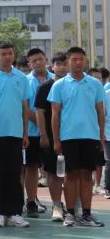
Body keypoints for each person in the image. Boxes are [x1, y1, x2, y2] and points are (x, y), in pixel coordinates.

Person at [48, 47, 105, 227]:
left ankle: (87, 214)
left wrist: (101, 135)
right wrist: (56, 140)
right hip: (68, 137)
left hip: (90, 136)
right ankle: (71, 213)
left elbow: (100, 111)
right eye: (74, 59)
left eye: (81, 59)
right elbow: (55, 115)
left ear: (85, 60)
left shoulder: (95, 84)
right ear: (68, 62)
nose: (78, 62)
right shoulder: (59, 85)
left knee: (87, 175)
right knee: (70, 175)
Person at [0, 41, 30, 228]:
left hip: (16, 134)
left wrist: (25, 132)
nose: (8, 57)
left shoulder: (21, 78)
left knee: (15, 174)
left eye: (10, 53)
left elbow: (24, 106)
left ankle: (15, 213)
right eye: (4, 54)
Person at [35, 53, 69, 220]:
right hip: (51, 136)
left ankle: (74, 206)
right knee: (53, 172)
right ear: (52, 66)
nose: (62, 67)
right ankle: (57, 205)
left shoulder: (74, 85)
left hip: (72, 136)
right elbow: (40, 113)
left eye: (64, 64)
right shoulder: (44, 87)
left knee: (73, 173)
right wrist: (43, 135)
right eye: (58, 64)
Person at [24, 48, 53, 215]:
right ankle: (31, 201)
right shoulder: (25, 81)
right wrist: (42, 123)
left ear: (46, 59)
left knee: (54, 169)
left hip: (54, 133)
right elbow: (25, 107)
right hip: (32, 132)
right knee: (32, 167)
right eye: (33, 61)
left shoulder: (56, 79)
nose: (38, 62)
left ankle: (58, 203)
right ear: (29, 64)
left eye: (40, 59)